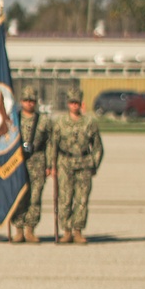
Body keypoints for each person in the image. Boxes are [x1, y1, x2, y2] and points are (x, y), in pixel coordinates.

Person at [50, 91, 104, 244]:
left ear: (81, 104)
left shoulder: (89, 123)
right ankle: (66, 231)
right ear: (68, 104)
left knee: (81, 200)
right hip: (65, 163)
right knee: (65, 199)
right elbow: (53, 145)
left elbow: (98, 147)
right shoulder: (60, 123)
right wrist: (52, 165)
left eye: (77, 103)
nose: (74, 105)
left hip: (83, 163)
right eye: (72, 103)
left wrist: (94, 164)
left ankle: (78, 230)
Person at [10, 86, 53, 243]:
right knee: (19, 196)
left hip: (37, 162)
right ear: (21, 102)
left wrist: (49, 164)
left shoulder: (44, 121)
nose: (29, 103)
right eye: (26, 100)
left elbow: (50, 143)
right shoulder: (13, 119)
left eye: (32, 101)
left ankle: (30, 229)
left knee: (35, 197)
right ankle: (18, 229)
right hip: (18, 163)